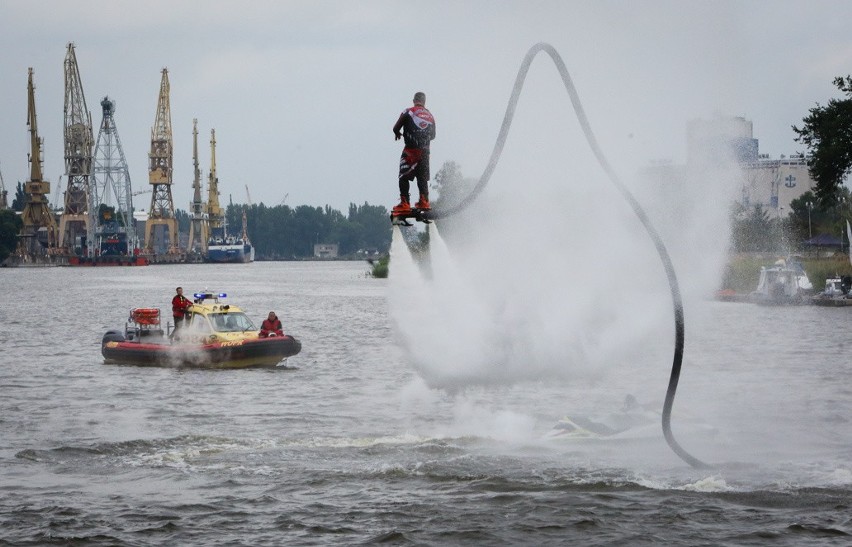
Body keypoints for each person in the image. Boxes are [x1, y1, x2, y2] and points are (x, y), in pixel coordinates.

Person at [392, 91, 436, 215]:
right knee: (422, 178)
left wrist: (398, 133)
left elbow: (395, 128)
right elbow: (433, 135)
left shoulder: (409, 111)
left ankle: (405, 203)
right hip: (425, 152)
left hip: (411, 150)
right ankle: (424, 201)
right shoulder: (430, 115)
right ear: (424, 102)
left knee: (403, 176)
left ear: (414, 100)